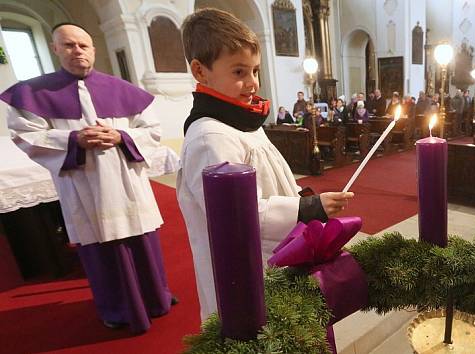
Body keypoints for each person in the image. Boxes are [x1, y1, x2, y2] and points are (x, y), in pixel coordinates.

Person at [177, 8, 354, 321]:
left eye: (255, 71)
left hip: (277, 256)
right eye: (239, 72)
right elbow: (237, 219)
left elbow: (270, 181)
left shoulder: (242, 123)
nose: (253, 83)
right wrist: (309, 209)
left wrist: (303, 196)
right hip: (249, 272)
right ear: (201, 71)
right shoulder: (209, 137)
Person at [0, 23, 174, 333]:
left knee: (142, 240)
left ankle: (155, 298)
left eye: (83, 45)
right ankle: (118, 309)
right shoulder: (35, 93)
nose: (77, 50)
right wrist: (73, 140)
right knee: (101, 249)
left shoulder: (121, 89)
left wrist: (120, 135)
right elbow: (26, 135)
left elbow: (152, 131)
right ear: (56, 49)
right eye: (68, 45)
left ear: (93, 49)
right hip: (83, 183)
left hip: (127, 181)